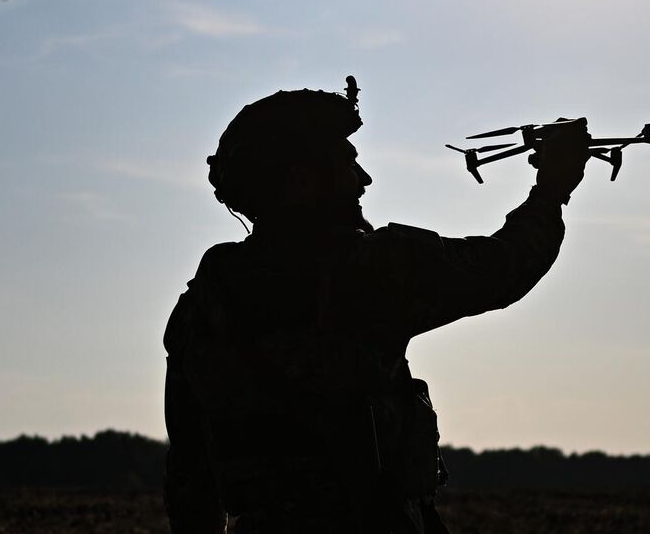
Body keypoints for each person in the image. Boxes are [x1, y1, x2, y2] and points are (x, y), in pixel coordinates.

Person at [163, 83, 590, 534]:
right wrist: (551, 191)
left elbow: (190, 477)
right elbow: (502, 268)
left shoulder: (201, 309)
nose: (364, 179)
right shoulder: (369, 273)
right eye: (347, 163)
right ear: (301, 183)